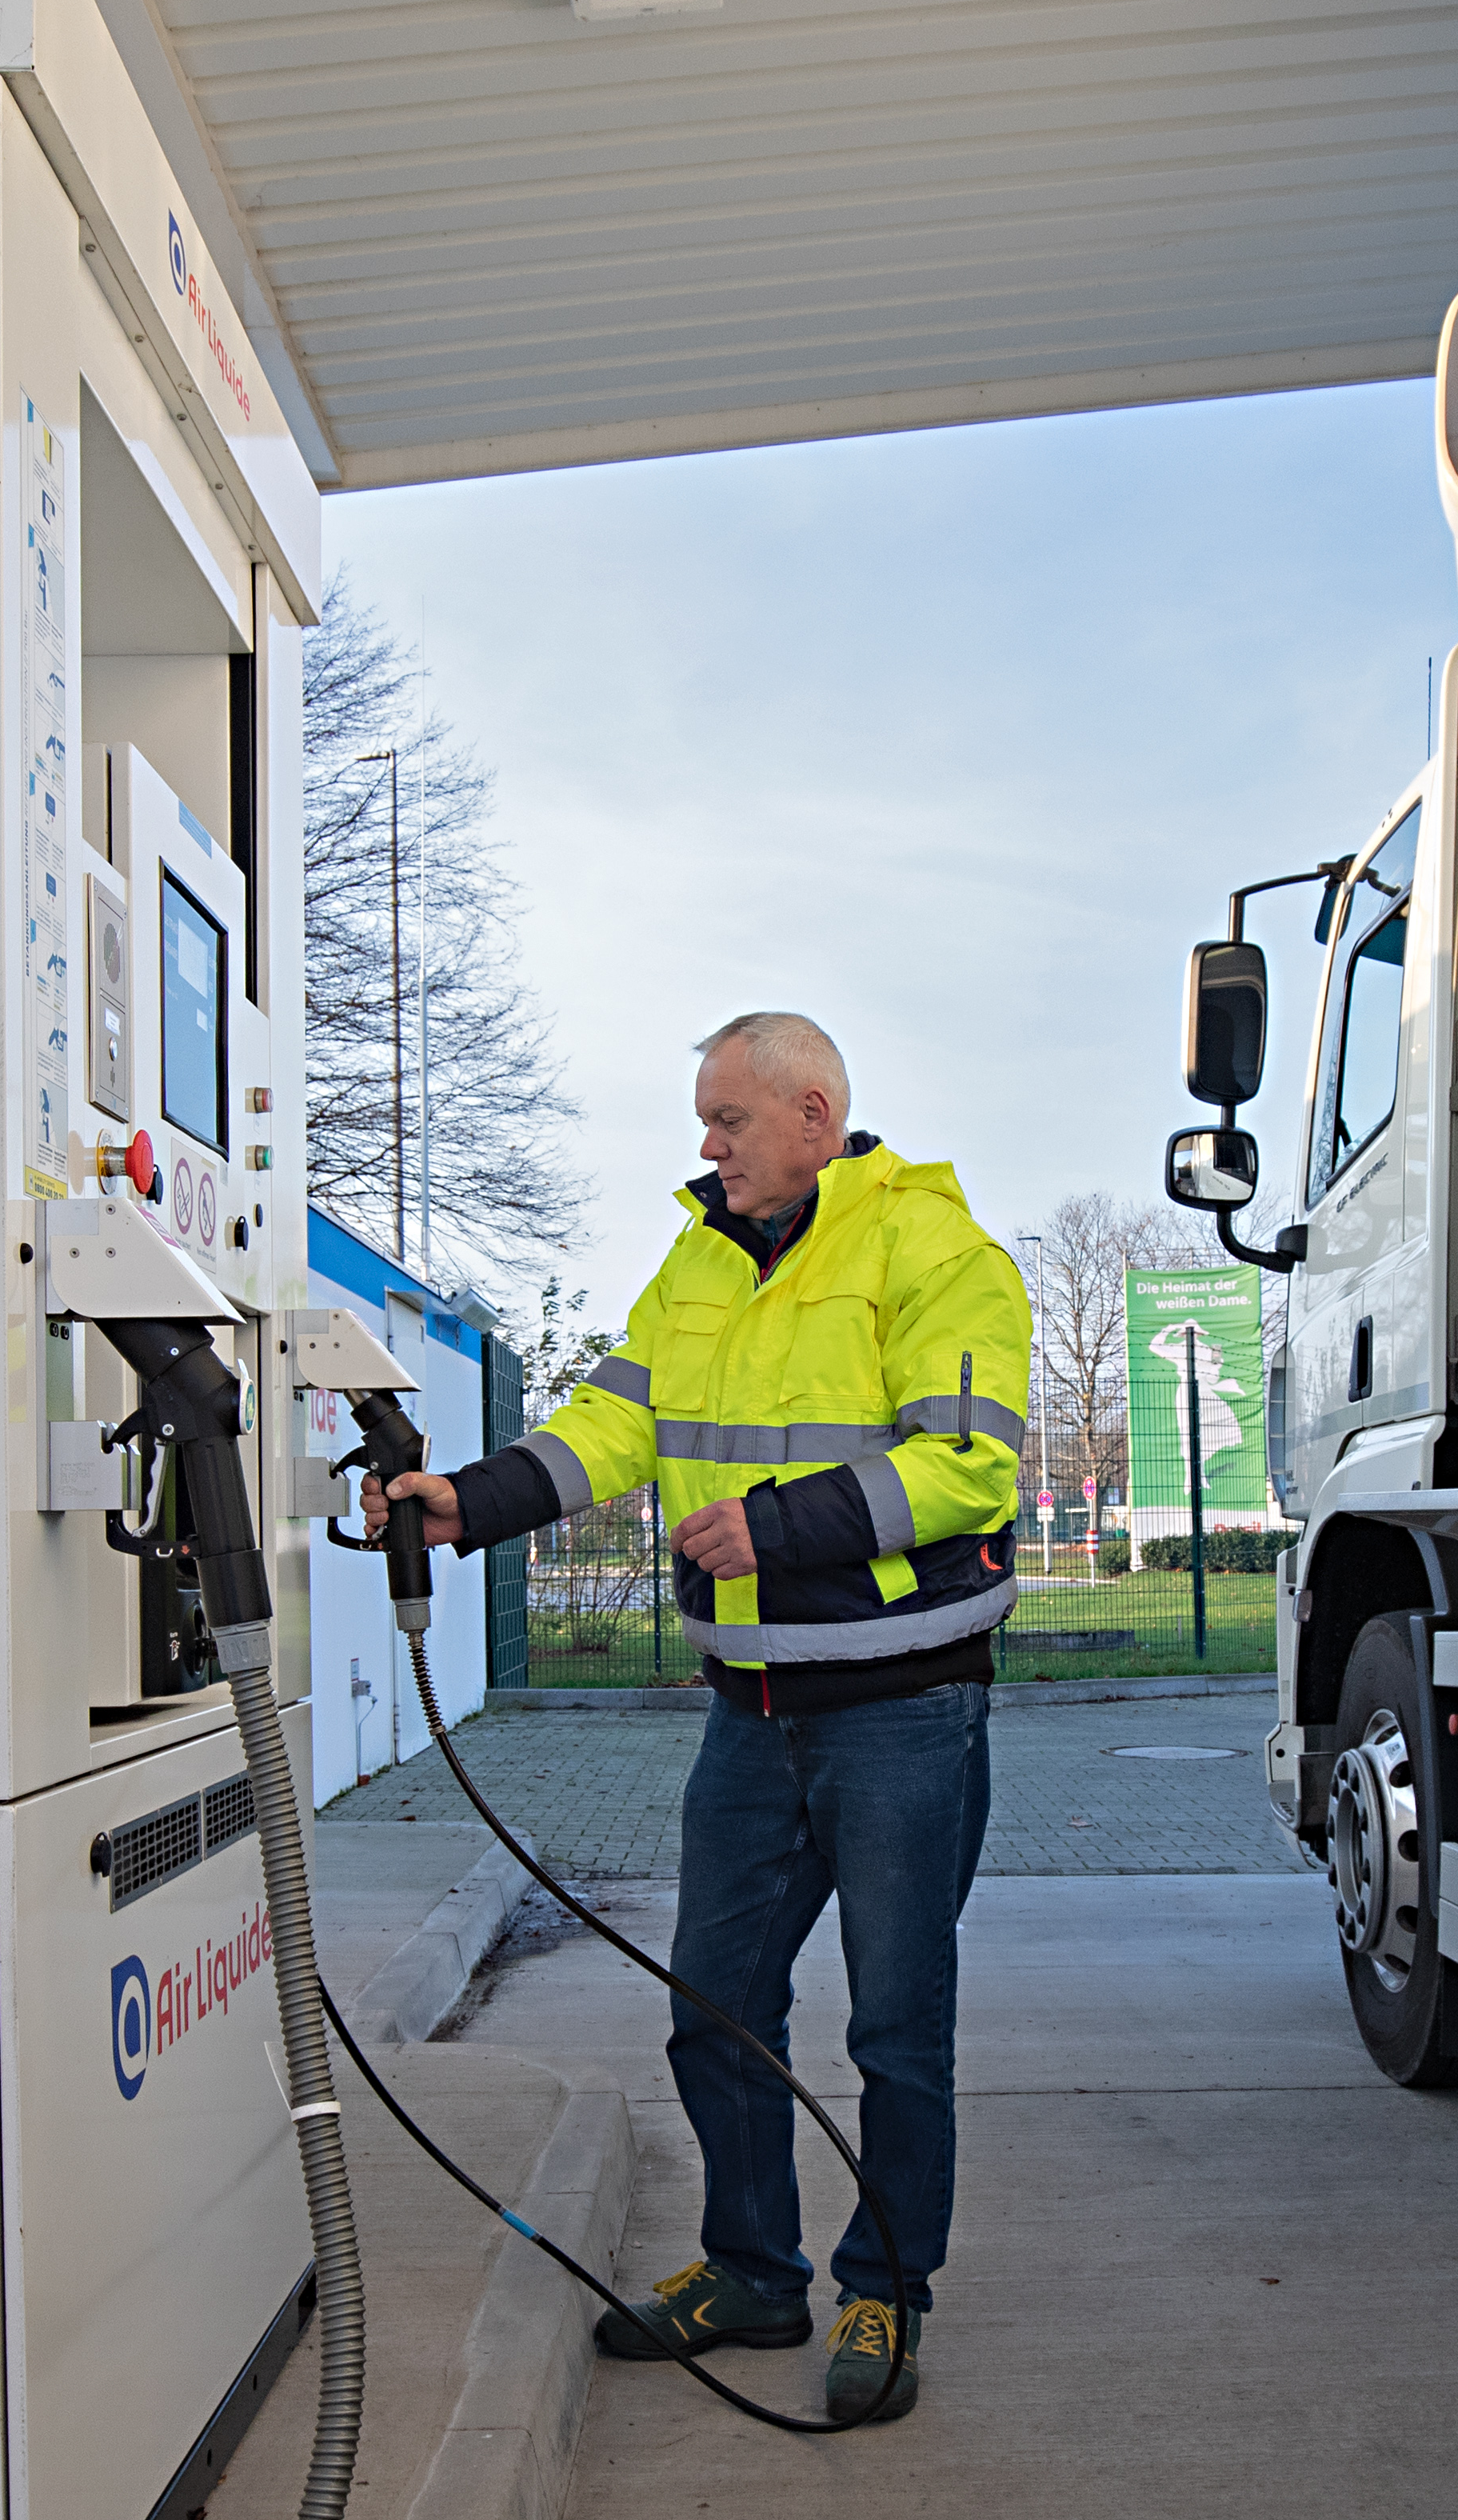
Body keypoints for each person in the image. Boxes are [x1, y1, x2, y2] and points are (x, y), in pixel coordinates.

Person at [382, 1012, 1027, 2425]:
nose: (707, 1144)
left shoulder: (936, 1251)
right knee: (714, 2005)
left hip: (904, 1714)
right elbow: (612, 1425)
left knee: (897, 2031)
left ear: (813, 1112)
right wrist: (470, 1503)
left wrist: (780, 1530)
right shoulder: (696, 1260)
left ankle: (885, 2287)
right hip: (754, 1715)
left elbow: (972, 1468)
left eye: (726, 1119)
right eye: (703, 1120)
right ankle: (753, 2270)